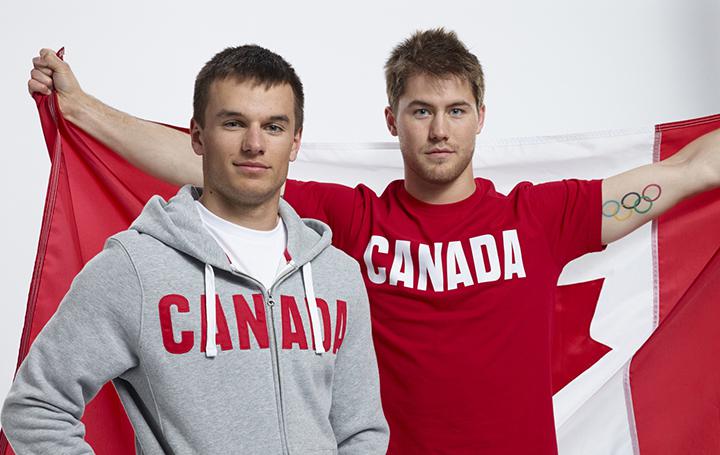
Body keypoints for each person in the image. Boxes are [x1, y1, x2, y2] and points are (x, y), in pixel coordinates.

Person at [24, 28, 720, 454]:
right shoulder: (351, 223)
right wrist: (83, 110)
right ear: (393, 119)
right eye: (421, 110)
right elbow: (209, 164)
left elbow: (689, 170)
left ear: (481, 116)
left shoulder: (541, 217)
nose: (439, 130)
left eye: (455, 110)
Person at [2, 44, 389, 454]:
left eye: (274, 127)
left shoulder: (336, 275)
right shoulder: (137, 268)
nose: (254, 144)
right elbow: (35, 407)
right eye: (234, 123)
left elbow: (360, 430)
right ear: (198, 136)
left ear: (295, 143)